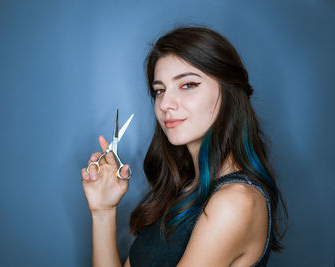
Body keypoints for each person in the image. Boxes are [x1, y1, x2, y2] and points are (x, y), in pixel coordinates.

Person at [81, 26, 287, 267]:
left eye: (188, 85)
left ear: (229, 90)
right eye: (159, 90)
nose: (165, 103)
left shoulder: (236, 202)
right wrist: (103, 212)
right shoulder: (188, 189)